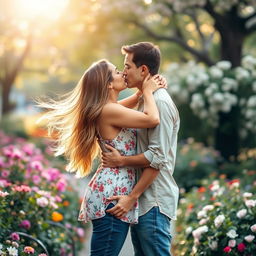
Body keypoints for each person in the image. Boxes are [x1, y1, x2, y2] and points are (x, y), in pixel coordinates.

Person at [38, 59, 166, 256]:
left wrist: (144, 88)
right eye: (116, 71)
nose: (122, 73)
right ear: (108, 84)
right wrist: (147, 92)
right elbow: (152, 119)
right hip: (112, 197)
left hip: (110, 192)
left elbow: (130, 103)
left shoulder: (109, 108)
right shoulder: (109, 110)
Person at [102, 42, 180, 256]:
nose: (124, 71)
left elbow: (157, 157)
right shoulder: (146, 99)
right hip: (142, 201)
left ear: (143, 70)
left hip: (153, 201)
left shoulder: (160, 103)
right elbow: (111, 110)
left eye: (127, 66)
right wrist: (142, 92)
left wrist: (122, 163)